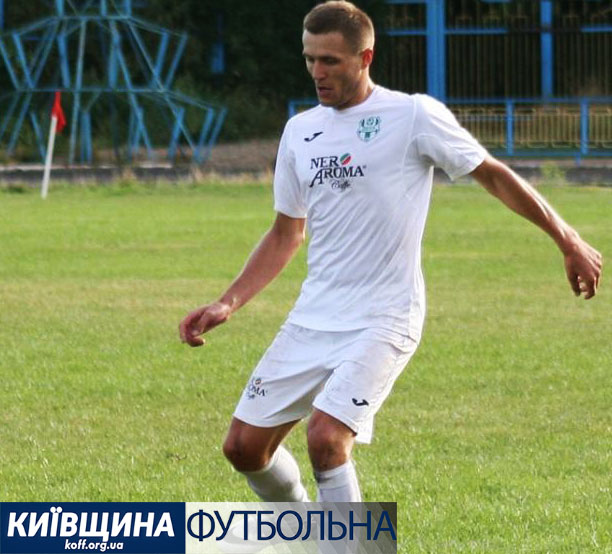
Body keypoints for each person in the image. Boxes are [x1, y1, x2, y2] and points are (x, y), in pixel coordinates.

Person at [179, 0, 602, 503]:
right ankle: (308, 530)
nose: (317, 72)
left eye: (330, 60)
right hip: (315, 316)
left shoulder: (412, 115)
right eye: (310, 59)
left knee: (326, 439)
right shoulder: (300, 131)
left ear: (365, 58)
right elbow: (286, 233)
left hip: (386, 316)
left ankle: (344, 540)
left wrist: (567, 239)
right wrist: (227, 302)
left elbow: (493, 175)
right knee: (243, 448)